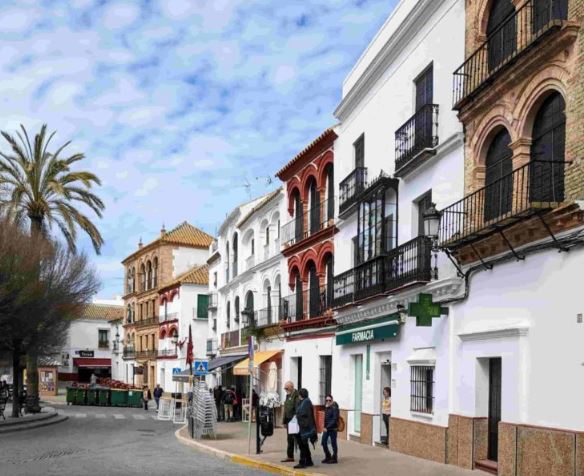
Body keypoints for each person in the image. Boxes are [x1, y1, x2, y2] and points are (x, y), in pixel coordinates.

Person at [294, 388, 316, 469]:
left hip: (304, 427)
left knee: (302, 445)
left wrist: (297, 415)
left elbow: (302, 413)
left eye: (299, 394)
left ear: (301, 395)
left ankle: (302, 462)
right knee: (304, 445)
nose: (298, 396)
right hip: (303, 427)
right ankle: (309, 461)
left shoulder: (306, 402)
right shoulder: (304, 401)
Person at [281, 381, 300, 463]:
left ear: (292, 387)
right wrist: (284, 421)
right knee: (290, 439)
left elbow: (297, 409)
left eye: (287, 388)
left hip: (294, 421)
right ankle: (290, 456)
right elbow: (286, 409)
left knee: (298, 439)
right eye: (285, 388)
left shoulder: (296, 395)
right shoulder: (288, 395)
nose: (285, 389)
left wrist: (294, 421)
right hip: (289, 421)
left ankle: (306, 456)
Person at [321, 394, 340, 464]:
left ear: (332, 400)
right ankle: (328, 456)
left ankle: (334, 458)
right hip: (326, 429)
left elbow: (334, 419)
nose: (328, 401)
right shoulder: (327, 407)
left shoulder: (334, 408)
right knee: (323, 442)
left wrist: (327, 427)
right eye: (327, 400)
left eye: (329, 400)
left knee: (333, 443)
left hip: (333, 429)